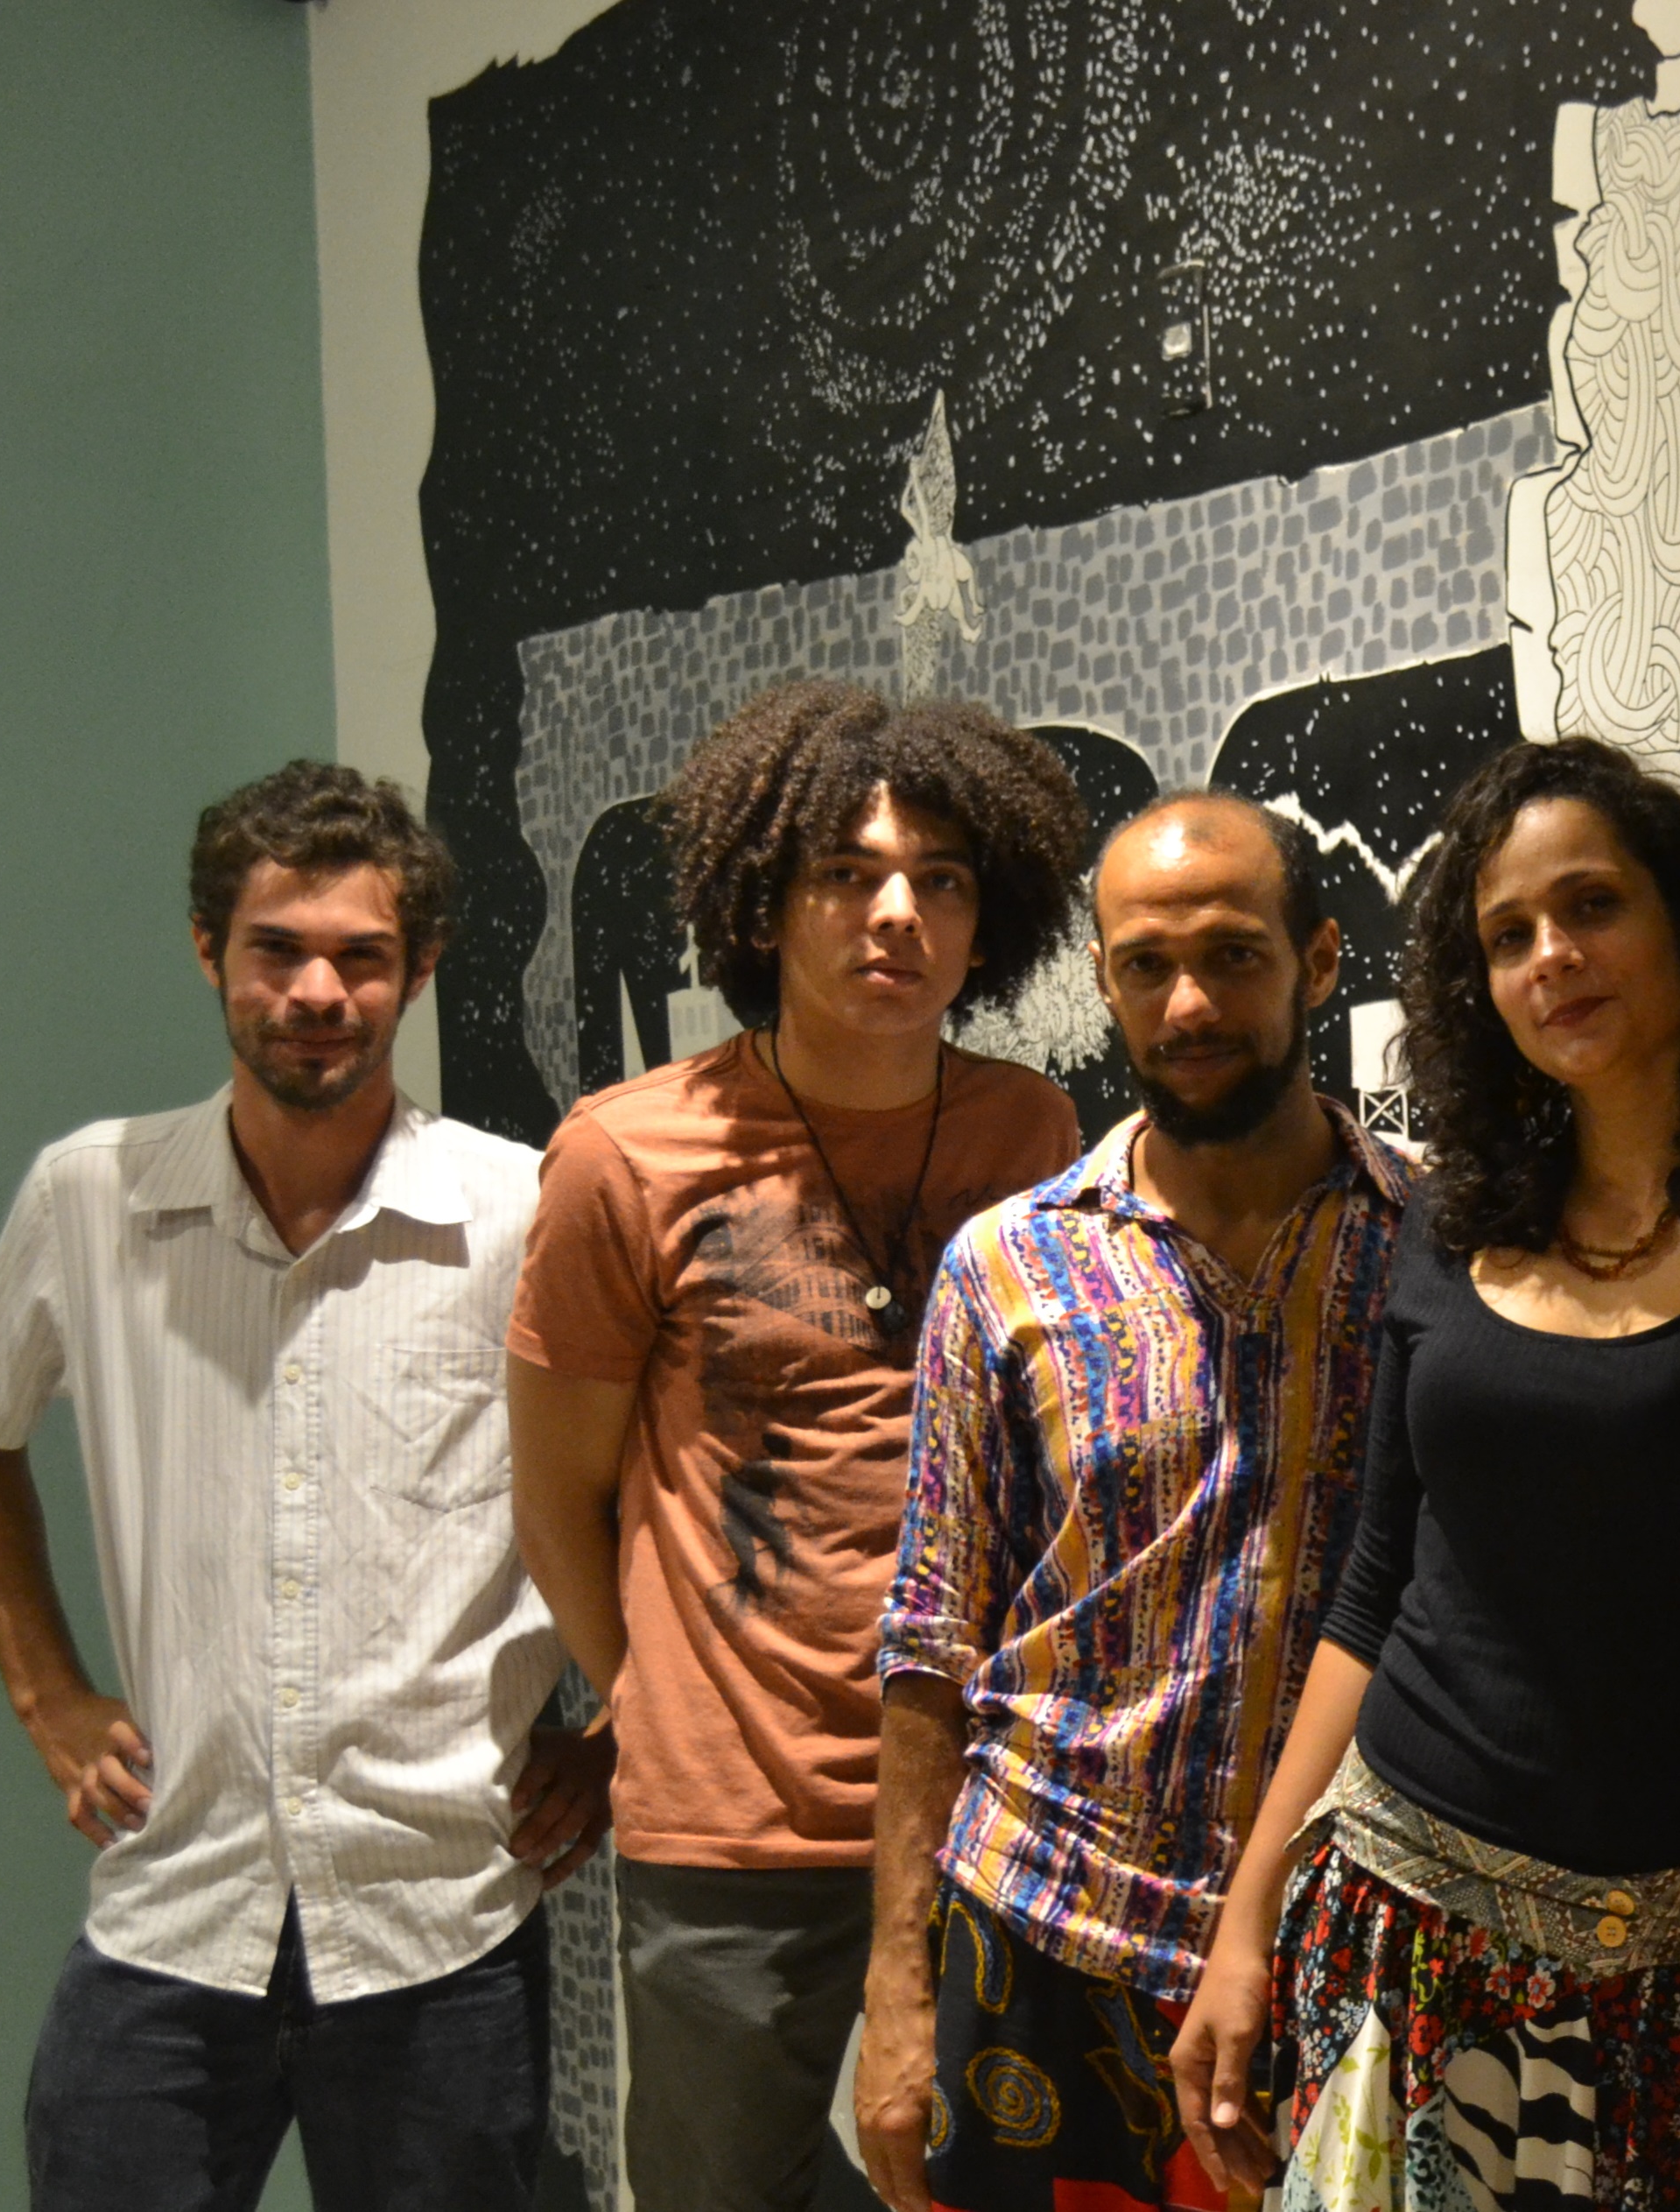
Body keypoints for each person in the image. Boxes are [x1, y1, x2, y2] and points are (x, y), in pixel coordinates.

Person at [1170, 734, 1680, 2212]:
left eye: (1589, 906)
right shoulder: (1452, 1219)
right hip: (1407, 1928)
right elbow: (1375, 1581)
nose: (1550, 958)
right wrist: (1246, 1917)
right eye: (1507, 935)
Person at [0, 763, 606, 2209]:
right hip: (174, 1910)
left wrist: (619, 1731)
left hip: (440, 1921)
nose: (316, 992)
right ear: (206, 948)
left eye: (361, 956)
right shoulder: (92, 1196)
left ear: (419, 967)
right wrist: (47, 1694)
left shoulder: (522, 1209)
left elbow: (658, 1483)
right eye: (275, 949)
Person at [510, 681, 1090, 2211]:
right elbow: (557, 1490)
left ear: (987, 920)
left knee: (995, 2184)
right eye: (846, 872)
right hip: (731, 1820)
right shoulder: (625, 1153)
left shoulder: (1032, 1133)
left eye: (939, 879)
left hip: (986, 1793)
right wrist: (654, 1702)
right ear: (763, 905)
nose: (896, 913)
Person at [856, 793, 1415, 2212]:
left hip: (1333, 1948)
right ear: (1103, 979)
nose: (1188, 1003)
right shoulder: (1008, 1267)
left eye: (1232, 955)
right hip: (1042, 1931)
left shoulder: (1433, 1252)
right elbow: (929, 1637)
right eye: (1146, 965)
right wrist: (899, 1987)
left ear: (1319, 959)